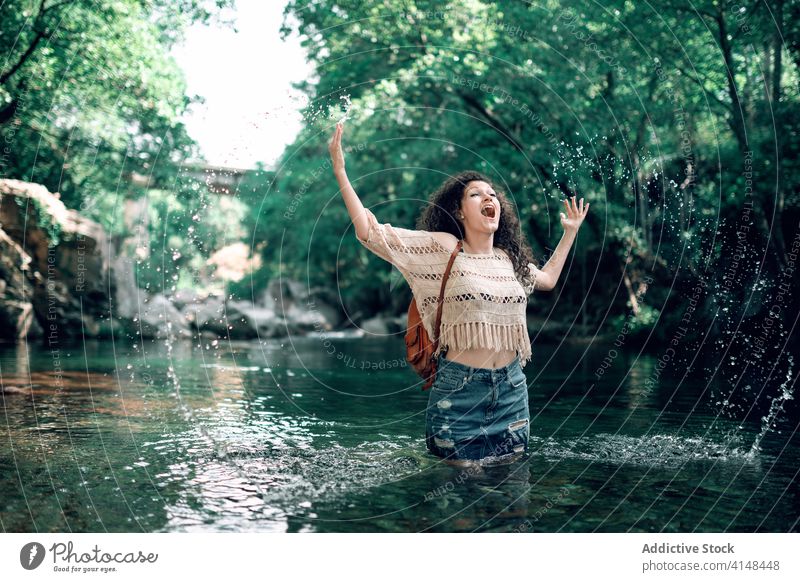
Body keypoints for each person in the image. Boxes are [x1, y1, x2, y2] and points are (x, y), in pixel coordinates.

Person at [328, 122, 589, 465]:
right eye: (477, 194)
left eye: (493, 194)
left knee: (512, 497)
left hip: (512, 389)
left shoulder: (507, 259)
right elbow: (370, 232)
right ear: (459, 210)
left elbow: (549, 279)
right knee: (457, 504)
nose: (489, 198)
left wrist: (570, 232)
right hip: (459, 391)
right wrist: (340, 171)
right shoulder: (444, 248)